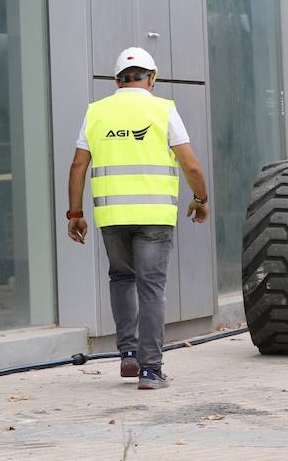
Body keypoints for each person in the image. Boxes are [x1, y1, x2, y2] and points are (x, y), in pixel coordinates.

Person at [66, 46, 210, 391]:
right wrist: (200, 199)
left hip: (113, 215)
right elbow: (190, 164)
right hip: (154, 216)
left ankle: (128, 352)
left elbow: (77, 165)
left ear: (117, 80)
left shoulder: (96, 112)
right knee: (151, 287)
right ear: (152, 78)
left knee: (121, 278)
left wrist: (75, 213)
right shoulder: (163, 110)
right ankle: (150, 370)